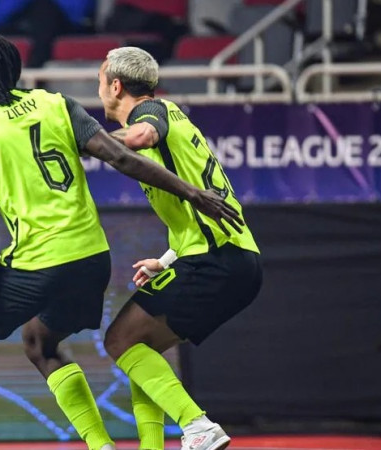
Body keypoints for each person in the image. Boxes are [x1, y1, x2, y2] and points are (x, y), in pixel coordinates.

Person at [0, 33, 244, 450]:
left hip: (38, 263)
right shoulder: (55, 102)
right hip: (93, 261)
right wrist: (191, 191)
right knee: (39, 341)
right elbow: (122, 157)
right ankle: (102, 445)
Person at [97, 47, 262, 450]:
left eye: (100, 81)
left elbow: (140, 136)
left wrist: (83, 142)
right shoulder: (173, 116)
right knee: (139, 349)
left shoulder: (151, 113)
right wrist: (167, 259)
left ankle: (198, 426)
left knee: (119, 341)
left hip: (217, 260)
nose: (99, 89)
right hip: (231, 258)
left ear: (116, 86)